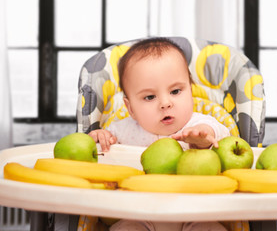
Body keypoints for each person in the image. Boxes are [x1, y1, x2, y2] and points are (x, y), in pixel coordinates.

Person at [89, 37, 231, 231]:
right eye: (149, 96)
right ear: (130, 108)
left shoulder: (198, 123)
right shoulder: (123, 129)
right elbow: (100, 150)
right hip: (138, 214)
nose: (165, 103)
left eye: (175, 91)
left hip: (196, 212)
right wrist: (98, 137)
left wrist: (203, 138)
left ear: (191, 91)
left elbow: (221, 135)